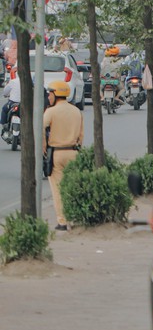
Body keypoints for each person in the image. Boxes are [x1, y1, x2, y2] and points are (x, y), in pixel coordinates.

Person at [42, 81, 83, 231]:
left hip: (57, 154)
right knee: (72, 187)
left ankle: (62, 221)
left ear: (55, 94)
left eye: (50, 93)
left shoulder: (51, 112)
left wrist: (43, 147)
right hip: (74, 152)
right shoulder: (76, 111)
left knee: (58, 190)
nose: (48, 96)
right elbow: (81, 135)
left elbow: (41, 128)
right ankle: (74, 217)